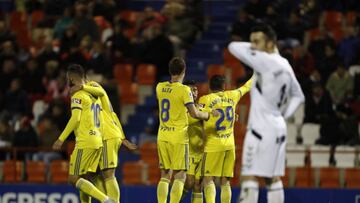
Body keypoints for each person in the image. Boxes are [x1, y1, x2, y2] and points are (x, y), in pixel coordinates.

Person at [228, 24, 304, 203]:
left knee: (249, 176)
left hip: (260, 130)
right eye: (252, 41)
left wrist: (252, 48)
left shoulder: (265, 61)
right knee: (272, 178)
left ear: (270, 44)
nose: (253, 45)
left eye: (257, 41)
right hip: (277, 127)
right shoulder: (284, 64)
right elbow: (298, 96)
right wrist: (282, 115)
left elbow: (233, 47)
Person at [156, 57, 218, 203]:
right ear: (184, 71)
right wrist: (208, 115)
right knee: (180, 176)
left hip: (162, 135)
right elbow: (194, 113)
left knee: (165, 175)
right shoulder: (184, 90)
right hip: (178, 137)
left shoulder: (159, 87)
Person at [52, 64, 114, 203]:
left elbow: (75, 118)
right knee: (86, 178)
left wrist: (61, 139)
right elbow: (103, 94)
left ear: (71, 79)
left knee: (73, 179)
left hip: (85, 141)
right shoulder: (94, 92)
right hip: (98, 139)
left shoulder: (78, 95)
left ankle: (106, 200)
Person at [69, 78, 137, 203]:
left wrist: (122, 137)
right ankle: (105, 200)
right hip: (100, 135)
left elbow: (99, 91)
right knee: (92, 175)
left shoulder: (92, 86)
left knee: (108, 174)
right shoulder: (87, 96)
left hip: (107, 133)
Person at [199, 75, 252, 203]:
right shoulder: (232, 95)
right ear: (224, 86)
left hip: (213, 145)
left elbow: (196, 112)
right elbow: (246, 86)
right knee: (225, 180)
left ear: (210, 87)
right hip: (229, 145)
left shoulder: (205, 99)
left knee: (208, 179)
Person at [181, 80, 204, 203]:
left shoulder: (203, 107)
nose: (194, 93)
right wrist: (203, 115)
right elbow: (193, 118)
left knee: (198, 184)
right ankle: (176, 199)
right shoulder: (183, 110)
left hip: (201, 152)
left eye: (195, 90)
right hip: (188, 152)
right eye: (191, 90)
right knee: (189, 183)